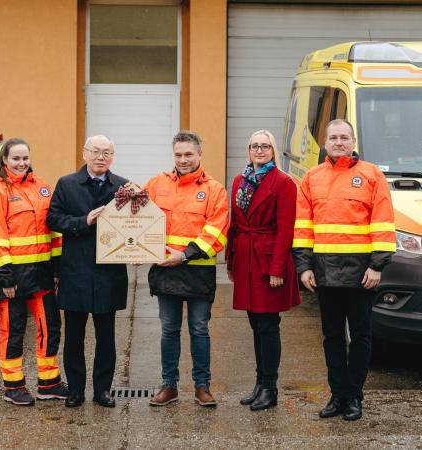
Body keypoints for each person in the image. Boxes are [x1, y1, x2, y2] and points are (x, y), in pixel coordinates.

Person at [293, 119, 396, 421]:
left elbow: (383, 223)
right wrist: (304, 267)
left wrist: (378, 266)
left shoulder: (371, 175)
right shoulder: (312, 177)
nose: (339, 142)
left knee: (361, 338)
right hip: (324, 274)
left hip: (361, 275)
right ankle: (336, 396)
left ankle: (354, 398)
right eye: (333, 137)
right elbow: (303, 227)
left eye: (344, 137)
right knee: (332, 338)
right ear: (325, 143)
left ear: (353, 142)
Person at [0, 138, 67, 406]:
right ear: (4, 160)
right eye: (16, 159)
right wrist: (3, 275)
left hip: (41, 274)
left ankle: (48, 382)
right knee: (13, 330)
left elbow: (53, 230)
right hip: (13, 276)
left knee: (50, 326)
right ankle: (13, 386)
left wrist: (56, 269)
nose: (21, 163)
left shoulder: (41, 187)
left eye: (25, 158)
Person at [145, 131, 229, 408]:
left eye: (188, 154)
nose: (183, 159)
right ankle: (169, 386)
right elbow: (136, 217)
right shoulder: (157, 184)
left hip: (197, 273)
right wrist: (132, 247)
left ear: (199, 154)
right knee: (169, 330)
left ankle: (202, 387)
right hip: (166, 272)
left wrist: (184, 255)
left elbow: (216, 232)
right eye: (178, 154)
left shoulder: (215, 190)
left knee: (199, 330)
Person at [46, 135, 129, 408]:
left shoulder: (123, 187)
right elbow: (53, 219)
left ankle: (103, 390)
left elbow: (137, 223)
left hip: (110, 273)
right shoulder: (67, 184)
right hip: (76, 272)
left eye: (106, 152)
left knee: (107, 337)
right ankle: (76, 390)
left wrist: (138, 249)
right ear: (84, 154)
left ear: (112, 157)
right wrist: (84, 221)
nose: (100, 157)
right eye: (95, 151)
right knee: (74, 337)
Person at [226, 130, 300, 411]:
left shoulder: (283, 182)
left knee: (268, 326)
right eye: (254, 145)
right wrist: (231, 260)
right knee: (255, 324)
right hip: (245, 257)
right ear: (248, 150)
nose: (259, 150)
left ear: (273, 150)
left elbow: (286, 229)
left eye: (265, 146)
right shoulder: (239, 180)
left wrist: (277, 267)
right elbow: (235, 223)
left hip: (268, 260)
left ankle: (270, 388)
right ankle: (259, 384)